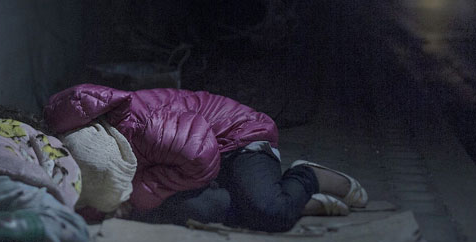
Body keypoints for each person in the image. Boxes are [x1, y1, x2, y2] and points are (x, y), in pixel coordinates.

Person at [44, 84, 367, 233]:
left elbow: (202, 157)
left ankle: (307, 176)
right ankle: (289, 199)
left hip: (236, 140)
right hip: (186, 167)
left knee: (271, 214)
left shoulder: (146, 128)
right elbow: (91, 193)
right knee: (185, 209)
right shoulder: (77, 145)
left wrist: (134, 196)